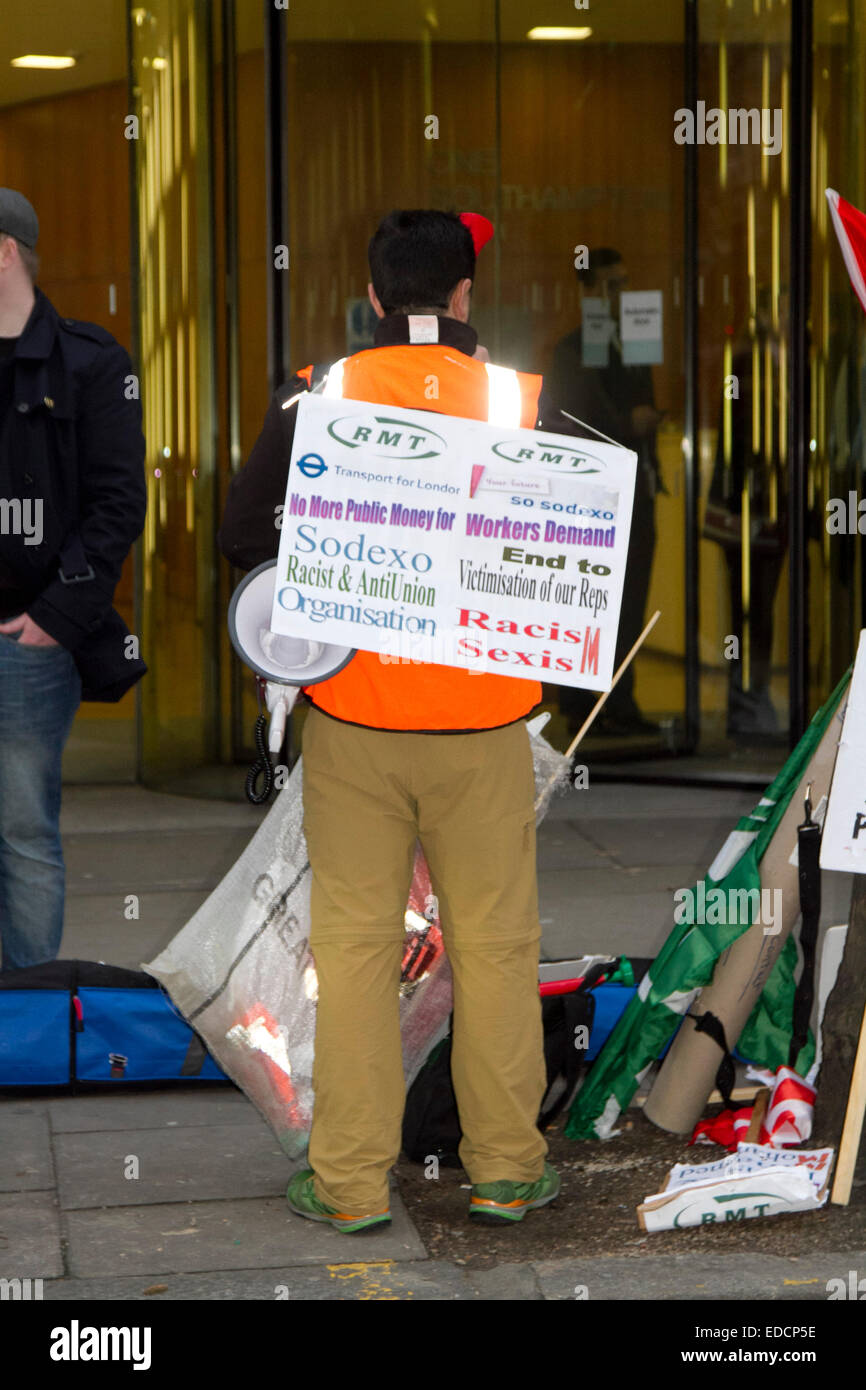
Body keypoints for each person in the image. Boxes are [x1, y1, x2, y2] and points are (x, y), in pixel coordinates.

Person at [219, 208, 565, 1232]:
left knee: (357, 950)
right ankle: (505, 1170)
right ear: (464, 297)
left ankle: (348, 1182)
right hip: (484, 720)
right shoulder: (518, 401)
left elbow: (244, 535)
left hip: (355, 721)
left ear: (373, 298)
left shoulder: (315, 395)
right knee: (497, 948)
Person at [0, 189, 146, 972]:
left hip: (30, 642)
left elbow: (119, 503)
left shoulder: (90, 363)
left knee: (23, 829)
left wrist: (55, 616)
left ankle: (21, 1021)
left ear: (5, 252)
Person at [547, 248, 663, 736]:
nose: (621, 296)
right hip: (595, 494)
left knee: (631, 596)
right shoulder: (573, 350)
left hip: (637, 485)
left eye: (625, 285)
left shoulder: (633, 345)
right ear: (589, 290)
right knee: (593, 596)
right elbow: (574, 416)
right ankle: (582, 701)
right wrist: (626, 424)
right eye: (612, 286)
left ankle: (618, 697)